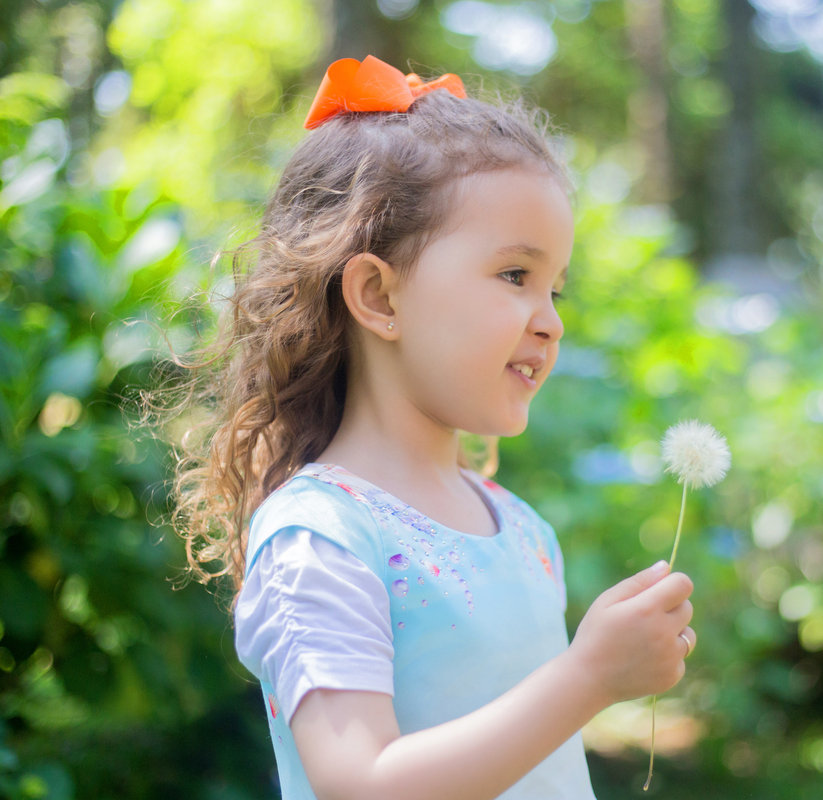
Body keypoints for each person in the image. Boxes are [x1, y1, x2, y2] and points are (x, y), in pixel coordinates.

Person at [166, 54, 697, 800]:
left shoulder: (521, 529)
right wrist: (587, 678)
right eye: (516, 276)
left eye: (557, 289)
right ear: (379, 296)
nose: (550, 322)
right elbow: (362, 784)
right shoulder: (321, 536)